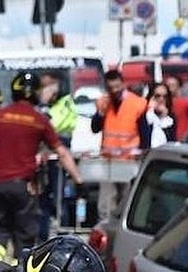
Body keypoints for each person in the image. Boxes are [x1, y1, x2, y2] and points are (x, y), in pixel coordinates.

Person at [0, 70, 84, 263]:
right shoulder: (39, 120)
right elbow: (62, 152)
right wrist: (78, 180)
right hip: (24, 187)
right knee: (24, 237)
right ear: (37, 93)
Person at [91, 69, 149, 223]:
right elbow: (95, 128)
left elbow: (145, 135)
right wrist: (100, 114)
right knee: (105, 204)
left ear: (123, 84)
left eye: (117, 87)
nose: (114, 91)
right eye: (110, 88)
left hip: (129, 161)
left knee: (126, 201)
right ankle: (104, 234)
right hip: (108, 162)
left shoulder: (138, 104)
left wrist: (143, 156)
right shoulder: (104, 102)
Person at [38, 71, 80, 233]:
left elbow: (51, 125)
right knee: (43, 198)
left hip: (59, 153)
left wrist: (43, 104)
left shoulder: (65, 103)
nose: (43, 91)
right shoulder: (52, 105)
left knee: (59, 197)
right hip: (46, 153)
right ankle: (42, 233)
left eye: (46, 87)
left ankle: (63, 231)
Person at [144, 82, 177, 147]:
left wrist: (163, 117)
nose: (161, 99)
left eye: (165, 96)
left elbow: (171, 141)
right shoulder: (144, 116)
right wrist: (150, 109)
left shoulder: (170, 119)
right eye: (157, 96)